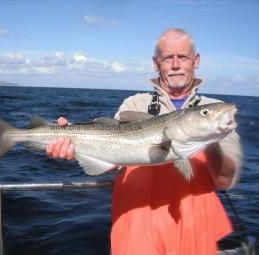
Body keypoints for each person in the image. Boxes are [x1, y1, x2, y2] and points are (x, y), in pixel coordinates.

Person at [46, 28, 242, 255]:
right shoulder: (134, 105)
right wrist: (76, 149)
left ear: (195, 61)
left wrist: (212, 139)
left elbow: (224, 179)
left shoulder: (216, 109)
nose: (176, 64)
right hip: (137, 239)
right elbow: (114, 163)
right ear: (156, 63)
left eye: (184, 57)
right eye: (168, 58)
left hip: (194, 237)